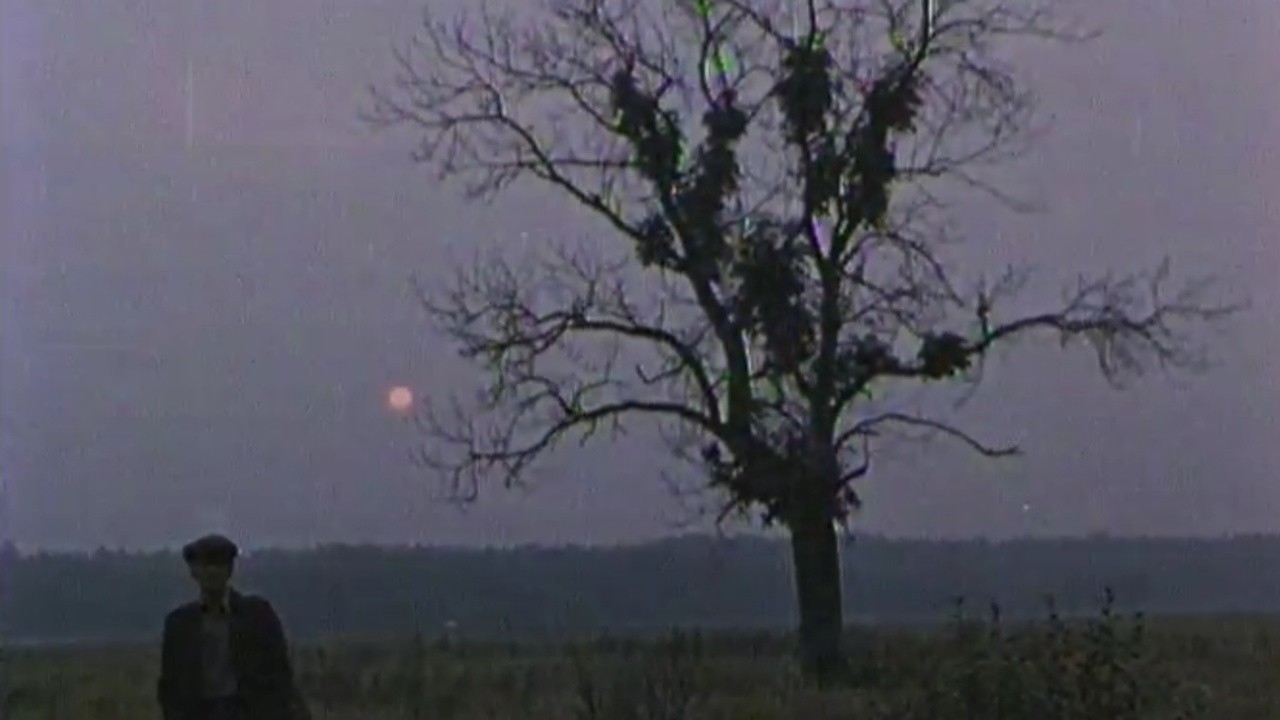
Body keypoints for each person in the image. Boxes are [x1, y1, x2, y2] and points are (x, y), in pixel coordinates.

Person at [157, 533, 311, 720]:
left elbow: (279, 674)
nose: (212, 571)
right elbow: (171, 685)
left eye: (219, 564)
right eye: (206, 565)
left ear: (229, 570)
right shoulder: (179, 624)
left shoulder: (257, 615)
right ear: (194, 572)